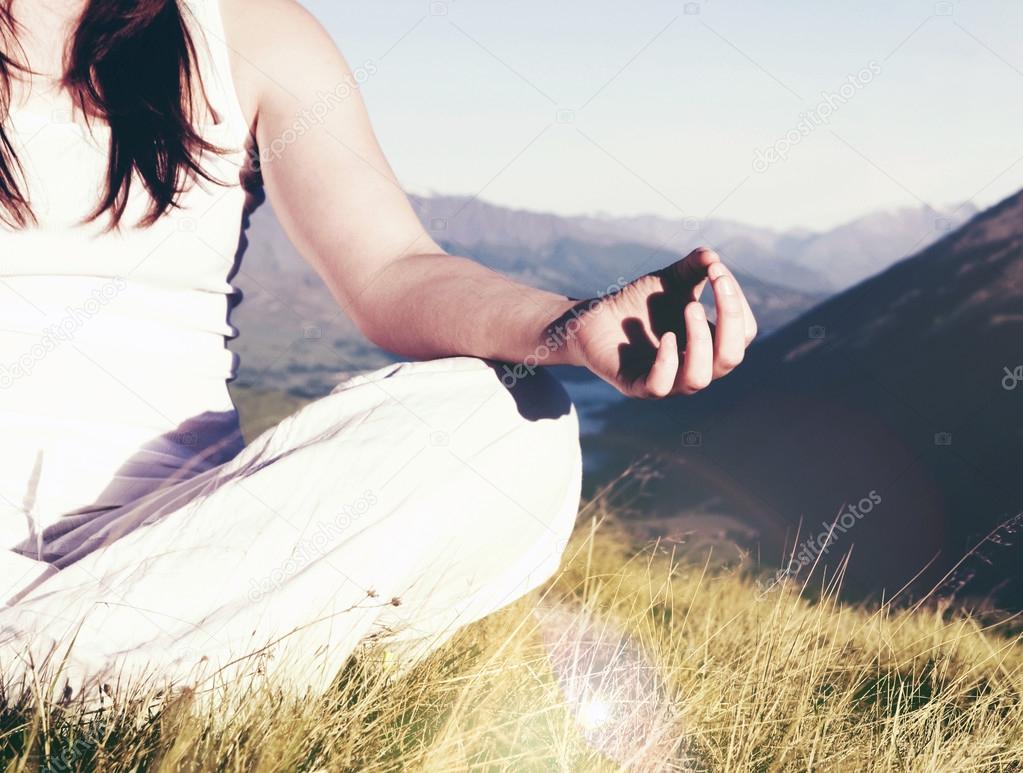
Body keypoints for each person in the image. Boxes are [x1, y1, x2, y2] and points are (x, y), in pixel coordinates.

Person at [0, 0, 756, 702]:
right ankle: (108, 678)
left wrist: (569, 326)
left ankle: (44, 664)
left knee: (514, 421)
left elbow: (392, 270)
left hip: (192, 541)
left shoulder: (252, 31)